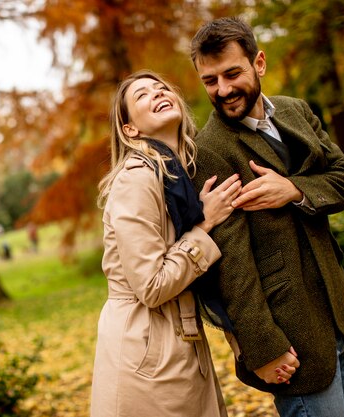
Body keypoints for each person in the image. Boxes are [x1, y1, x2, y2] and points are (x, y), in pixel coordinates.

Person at [189, 17, 344, 417]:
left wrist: (295, 189)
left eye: (232, 73)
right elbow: (231, 264)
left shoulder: (294, 111)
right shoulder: (211, 149)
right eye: (210, 80)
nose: (224, 90)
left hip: (335, 314)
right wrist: (262, 348)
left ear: (259, 63)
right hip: (290, 338)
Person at [90, 70, 251, 417]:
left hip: (176, 342)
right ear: (130, 129)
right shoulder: (137, 179)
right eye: (142, 96)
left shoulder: (175, 174)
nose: (158, 93)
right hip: (146, 351)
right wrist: (204, 224)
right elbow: (151, 285)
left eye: (161, 87)